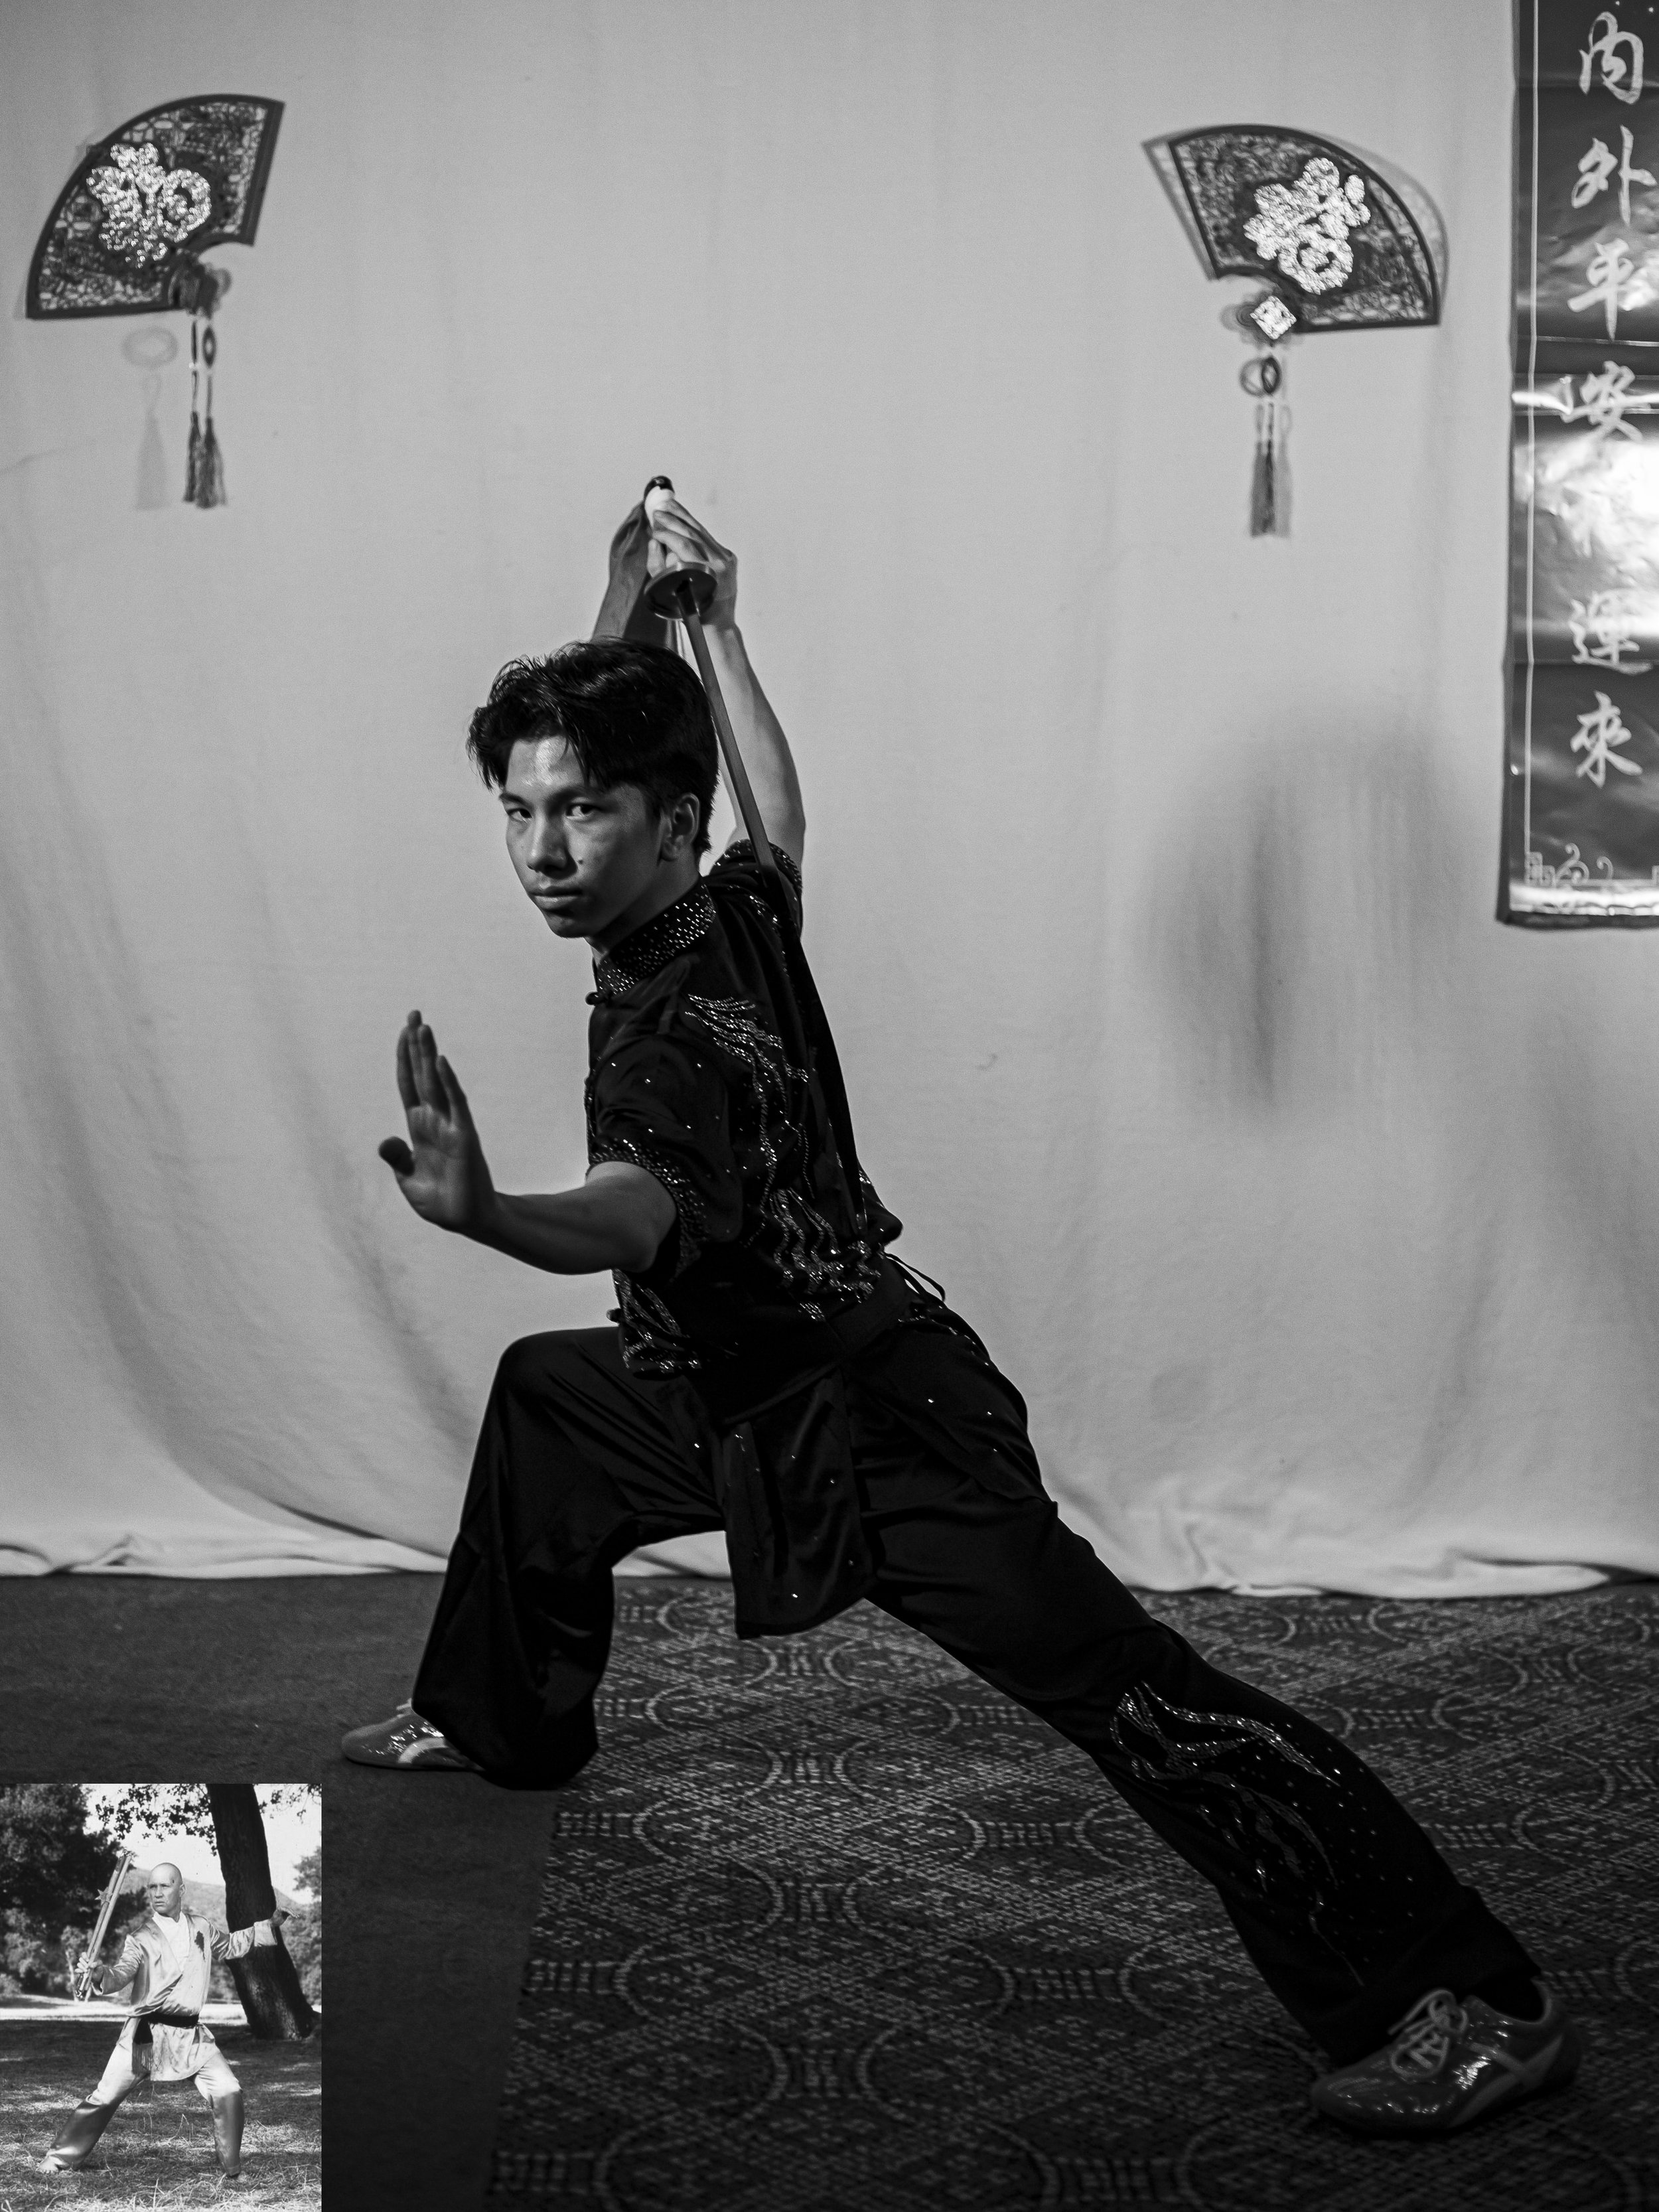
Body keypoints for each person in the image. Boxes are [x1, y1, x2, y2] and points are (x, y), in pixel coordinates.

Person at [343, 491, 1583, 2136]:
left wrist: (489, 1210)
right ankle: (496, 1712)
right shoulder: (723, 905)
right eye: (517, 812)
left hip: (873, 1427)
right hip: (732, 1381)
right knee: (552, 1400)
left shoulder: (668, 1032)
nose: (542, 853)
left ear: (666, 819)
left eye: (580, 813)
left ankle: (1470, 1995)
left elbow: (635, 1207)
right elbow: (773, 805)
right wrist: (691, 625)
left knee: (1135, 1697)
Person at [44, 1860, 289, 2178]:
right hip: (146, 2036)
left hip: (192, 2038)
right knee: (105, 2096)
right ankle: (59, 2158)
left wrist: (269, 1925)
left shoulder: (202, 1927)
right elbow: (120, 1974)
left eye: (165, 1886)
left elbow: (230, 1944)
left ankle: (232, 2168)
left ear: (181, 1889)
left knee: (229, 2090)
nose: (157, 1893)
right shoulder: (140, 1938)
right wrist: (100, 1973)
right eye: (152, 1887)